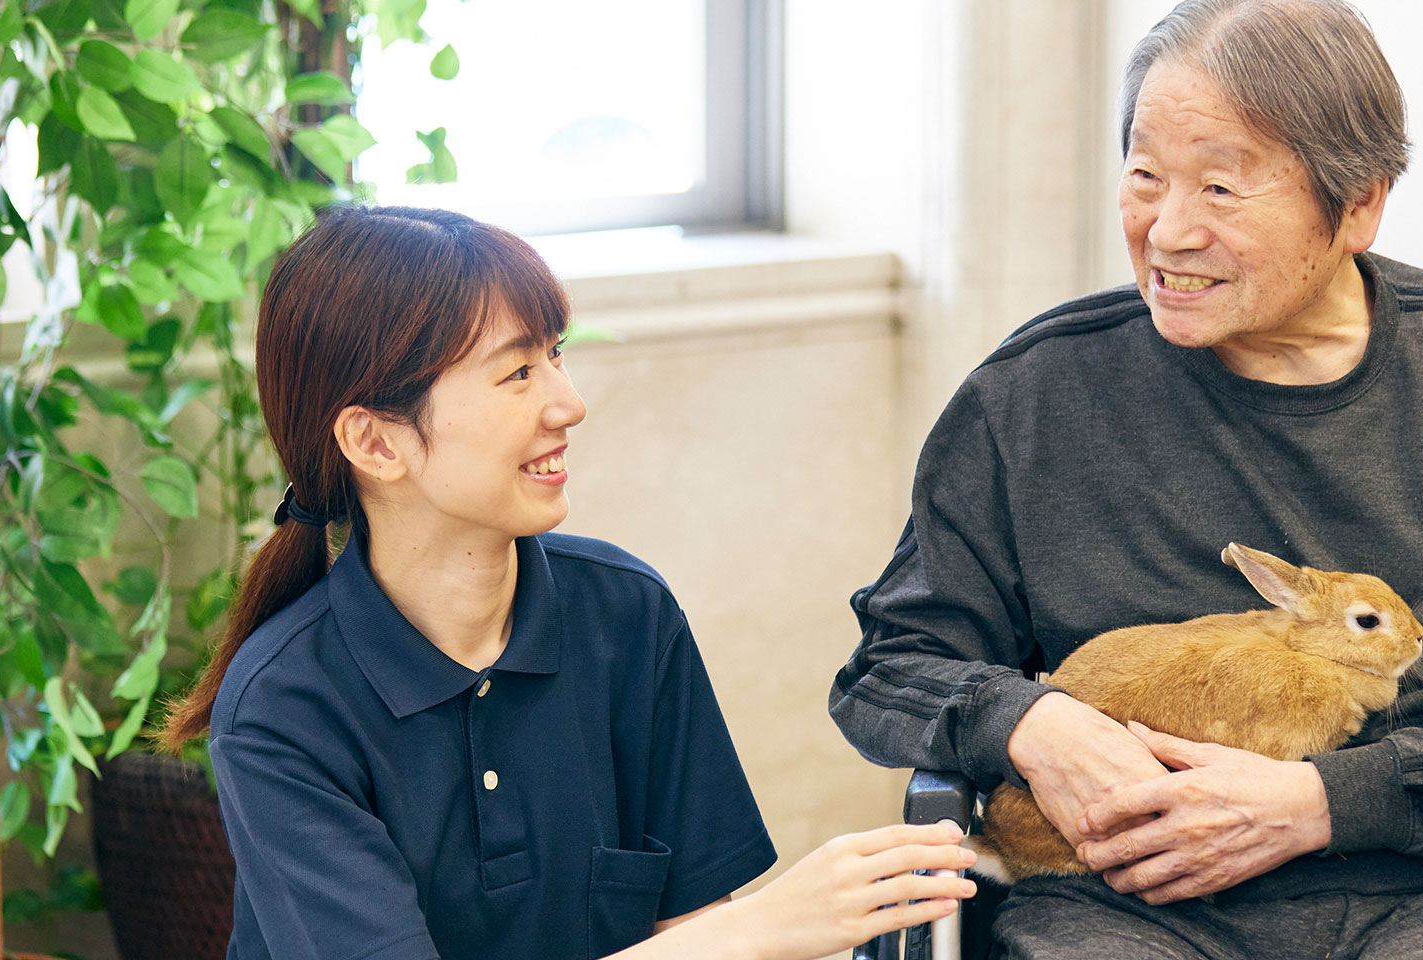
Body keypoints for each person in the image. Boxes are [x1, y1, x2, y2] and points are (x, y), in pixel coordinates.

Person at [827, 1, 1423, 957]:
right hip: (1116, 898)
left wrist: (1330, 801)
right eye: (1145, 177)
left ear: (1358, 203)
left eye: (1222, 189)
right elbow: (889, 666)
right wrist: (1032, 722)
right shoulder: (1033, 397)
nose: (1167, 232)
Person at [157, 206, 975, 960]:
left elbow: (691, 928)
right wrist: (766, 926)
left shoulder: (627, 616)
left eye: (555, 355)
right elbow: (719, 944)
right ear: (374, 443)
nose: (569, 404)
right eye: (516, 374)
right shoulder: (283, 709)